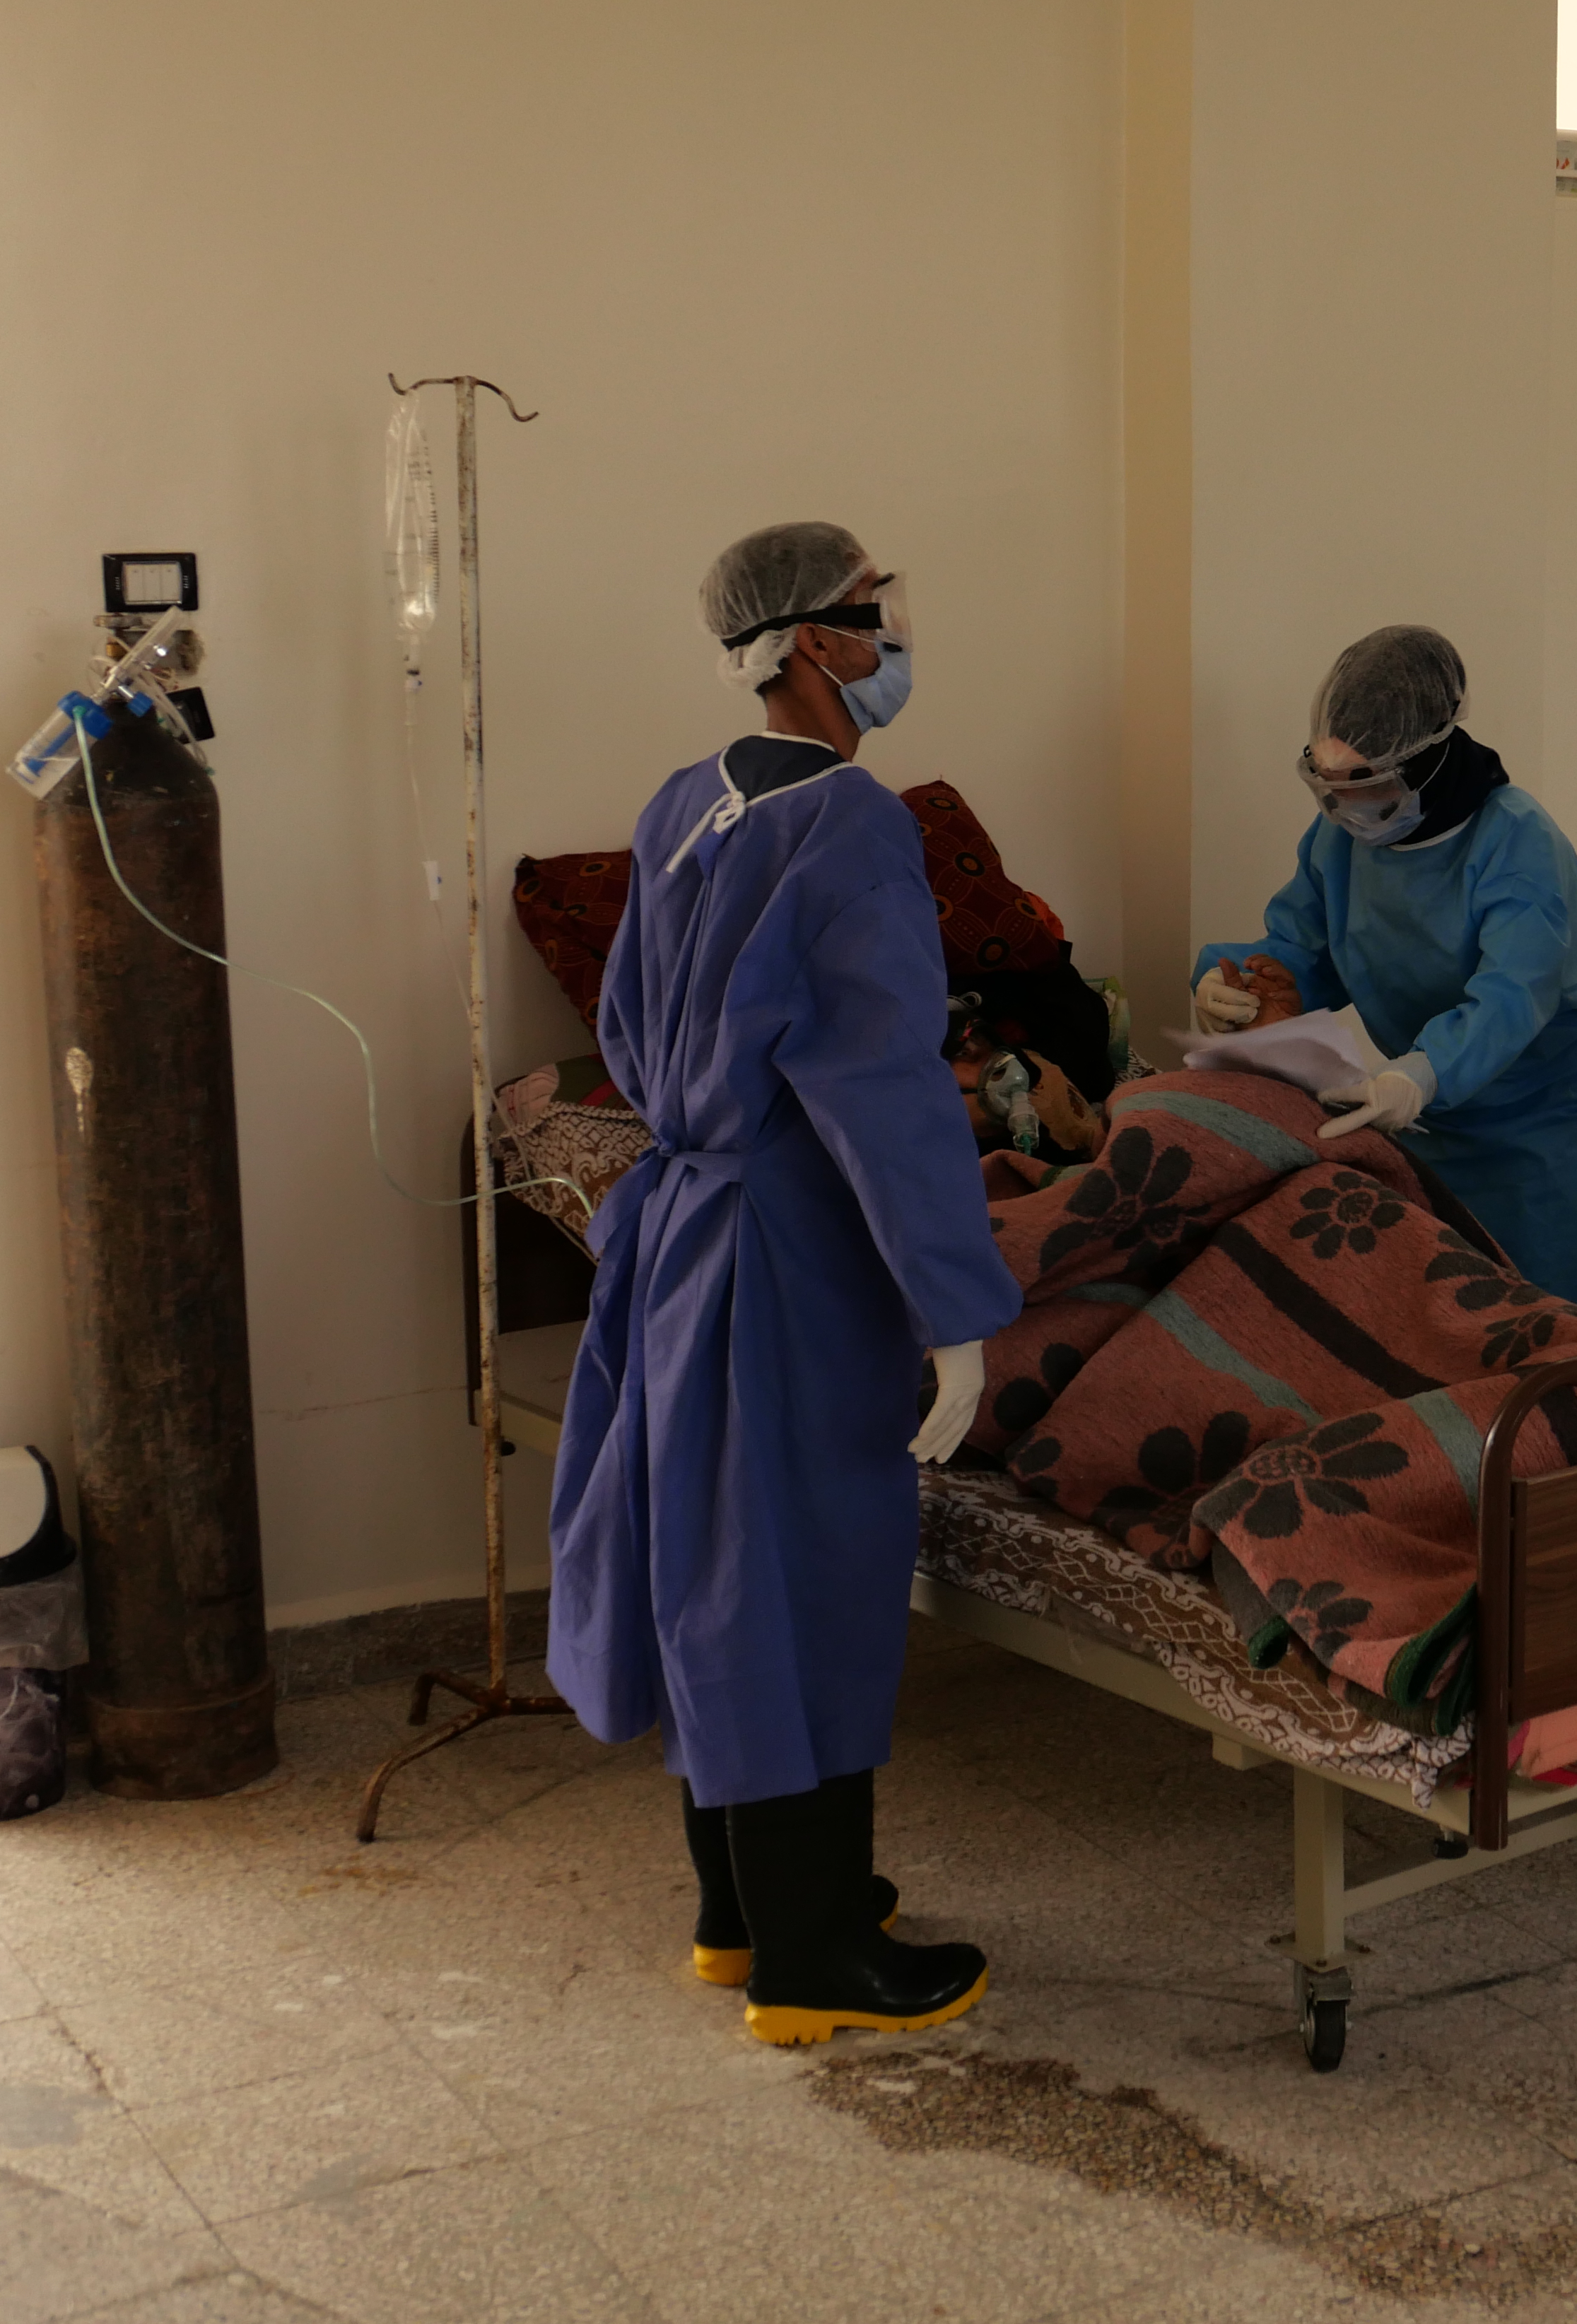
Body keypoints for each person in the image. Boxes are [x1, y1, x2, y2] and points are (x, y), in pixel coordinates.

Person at [548, 522, 1020, 2046]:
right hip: (790, 1253)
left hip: (680, 1228)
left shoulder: (681, 802)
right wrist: (956, 1311)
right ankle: (812, 1959)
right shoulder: (852, 827)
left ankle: (739, 1910)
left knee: (709, 1565)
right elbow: (887, 1091)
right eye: (877, 610)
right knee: (800, 1582)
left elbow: (628, 1032)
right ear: (817, 641)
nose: (895, 634)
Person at [1194, 626, 1577, 1317]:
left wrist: (1424, 1073)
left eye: (1367, 784)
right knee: (1451, 1337)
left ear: (1427, 761)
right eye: (1329, 785)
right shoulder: (1339, 840)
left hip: (1555, 1149)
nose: (1347, 807)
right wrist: (1235, 984)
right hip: (1436, 1141)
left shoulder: (1515, 839)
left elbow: (1515, 992)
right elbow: (1303, 949)